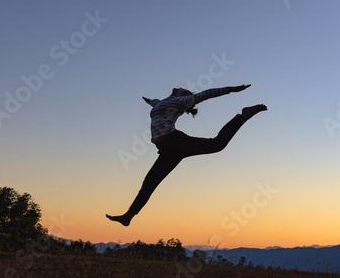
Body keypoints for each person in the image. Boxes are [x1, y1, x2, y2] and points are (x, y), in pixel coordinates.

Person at [106, 84, 267, 226]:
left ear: (183, 96)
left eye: (183, 90)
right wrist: (148, 100)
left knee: (217, 144)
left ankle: (244, 115)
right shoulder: (162, 102)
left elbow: (206, 94)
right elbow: (155, 102)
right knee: (149, 183)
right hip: (168, 150)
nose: (179, 87)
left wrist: (230, 90)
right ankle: (128, 216)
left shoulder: (180, 101)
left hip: (175, 141)